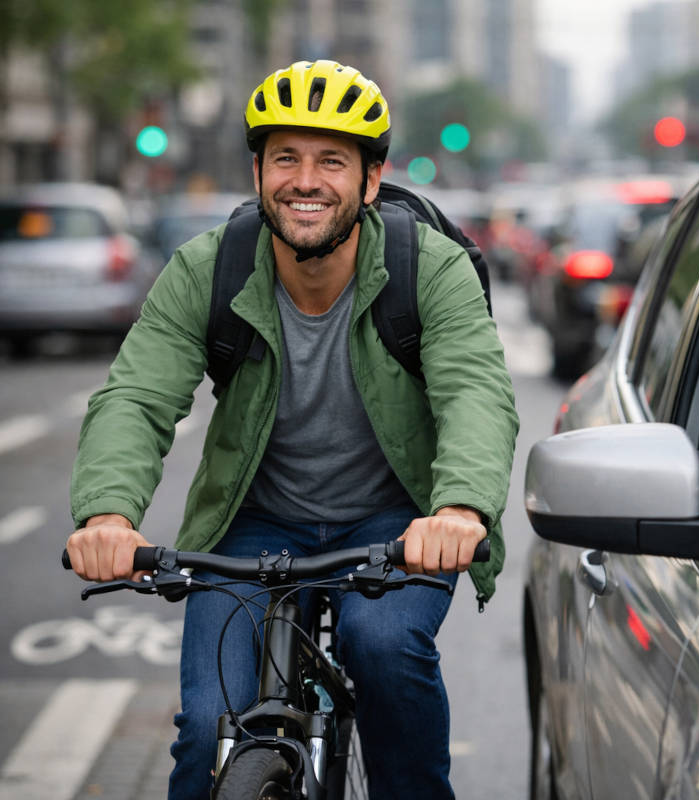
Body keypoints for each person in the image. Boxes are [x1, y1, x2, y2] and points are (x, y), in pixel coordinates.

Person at [64, 60, 519, 799]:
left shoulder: (429, 270)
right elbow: (136, 397)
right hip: (257, 522)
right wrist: (107, 516)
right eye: (286, 158)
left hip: (396, 524)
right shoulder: (207, 270)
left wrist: (460, 510)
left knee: (383, 646)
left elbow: (475, 392)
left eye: (332, 161)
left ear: (371, 181)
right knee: (206, 731)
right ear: (258, 173)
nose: (305, 181)